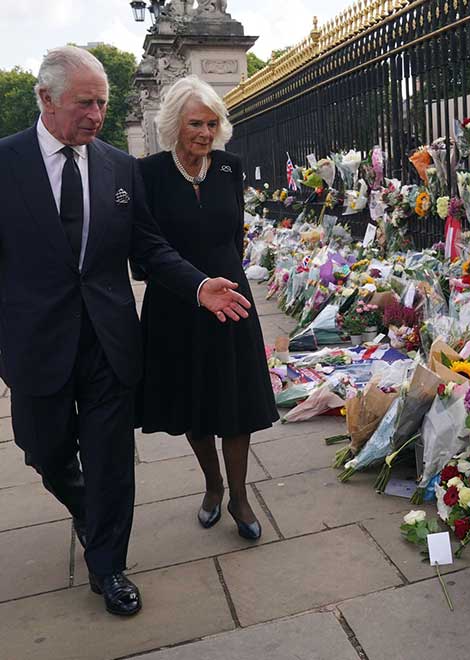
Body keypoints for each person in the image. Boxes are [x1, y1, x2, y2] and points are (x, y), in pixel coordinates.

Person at [0, 46, 252, 617]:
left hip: (109, 340)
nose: (96, 114)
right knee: (42, 448)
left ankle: (109, 564)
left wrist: (195, 285)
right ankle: (90, 512)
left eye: (103, 103)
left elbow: (148, 244)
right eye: (84, 103)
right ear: (46, 99)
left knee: (112, 458)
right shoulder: (6, 163)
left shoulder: (118, 166)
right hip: (36, 340)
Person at [135, 76, 278, 541]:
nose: (204, 132)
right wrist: (194, 283)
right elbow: (146, 247)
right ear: (175, 123)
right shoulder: (149, 173)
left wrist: (226, 276)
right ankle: (212, 486)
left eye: (212, 123)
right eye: (196, 122)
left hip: (232, 299)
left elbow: (233, 234)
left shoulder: (229, 167)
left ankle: (239, 494)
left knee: (236, 401)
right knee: (194, 402)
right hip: (177, 305)